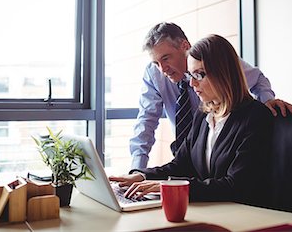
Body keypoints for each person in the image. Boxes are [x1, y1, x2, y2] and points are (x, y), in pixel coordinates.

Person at [110, 34, 273, 207]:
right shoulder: (203, 115)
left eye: (200, 75)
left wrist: (169, 186)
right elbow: (180, 165)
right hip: (209, 211)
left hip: (243, 217)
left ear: (223, 73)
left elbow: (236, 186)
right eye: (191, 75)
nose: (192, 84)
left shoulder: (256, 117)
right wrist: (142, 176)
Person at [130, 22, 292, 169]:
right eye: (156, 62)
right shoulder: (155, 75)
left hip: (221, 162)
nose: (162, 69)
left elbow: (257, 78)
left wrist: (267, 101)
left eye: (166, 58)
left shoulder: (214, 61)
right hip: (189, 160)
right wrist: (138, 171)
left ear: (184, 46)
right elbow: (146, 120)